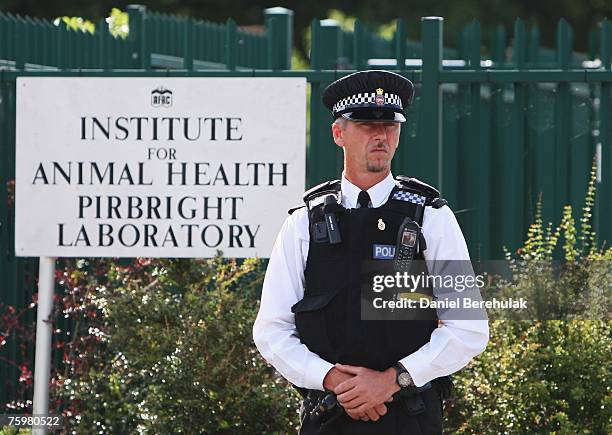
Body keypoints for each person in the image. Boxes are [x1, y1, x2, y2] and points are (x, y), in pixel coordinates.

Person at [253, 70, 489, 434]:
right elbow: (272, 330)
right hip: (328, 415)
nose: (380, 135)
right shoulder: (304, 223)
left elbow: (469, 327)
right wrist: (332, 379)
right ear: (338, 133)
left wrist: (393, 380)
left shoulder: (431, 217)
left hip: (409, 416)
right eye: (365, 125)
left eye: (390, 126)